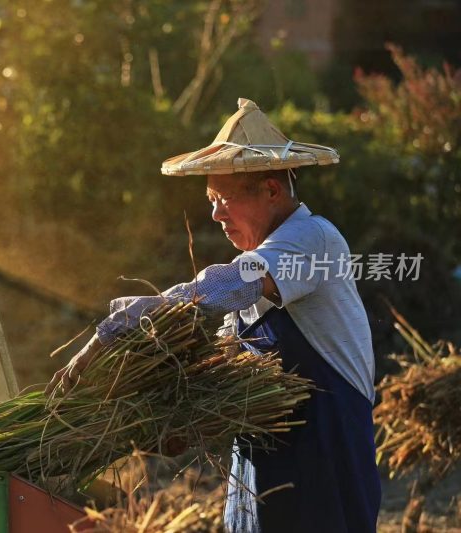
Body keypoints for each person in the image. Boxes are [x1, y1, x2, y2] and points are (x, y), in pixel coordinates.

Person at [45, 98, 381, 532]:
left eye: (223, 199)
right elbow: (224, 365)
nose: (216, 215)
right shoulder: (262, 261)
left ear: (272, 191)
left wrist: (114, 331)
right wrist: (175, 419)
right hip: (264, 465)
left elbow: (227, 286)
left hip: (324, 455)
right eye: (210, 200)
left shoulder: (312, 240)